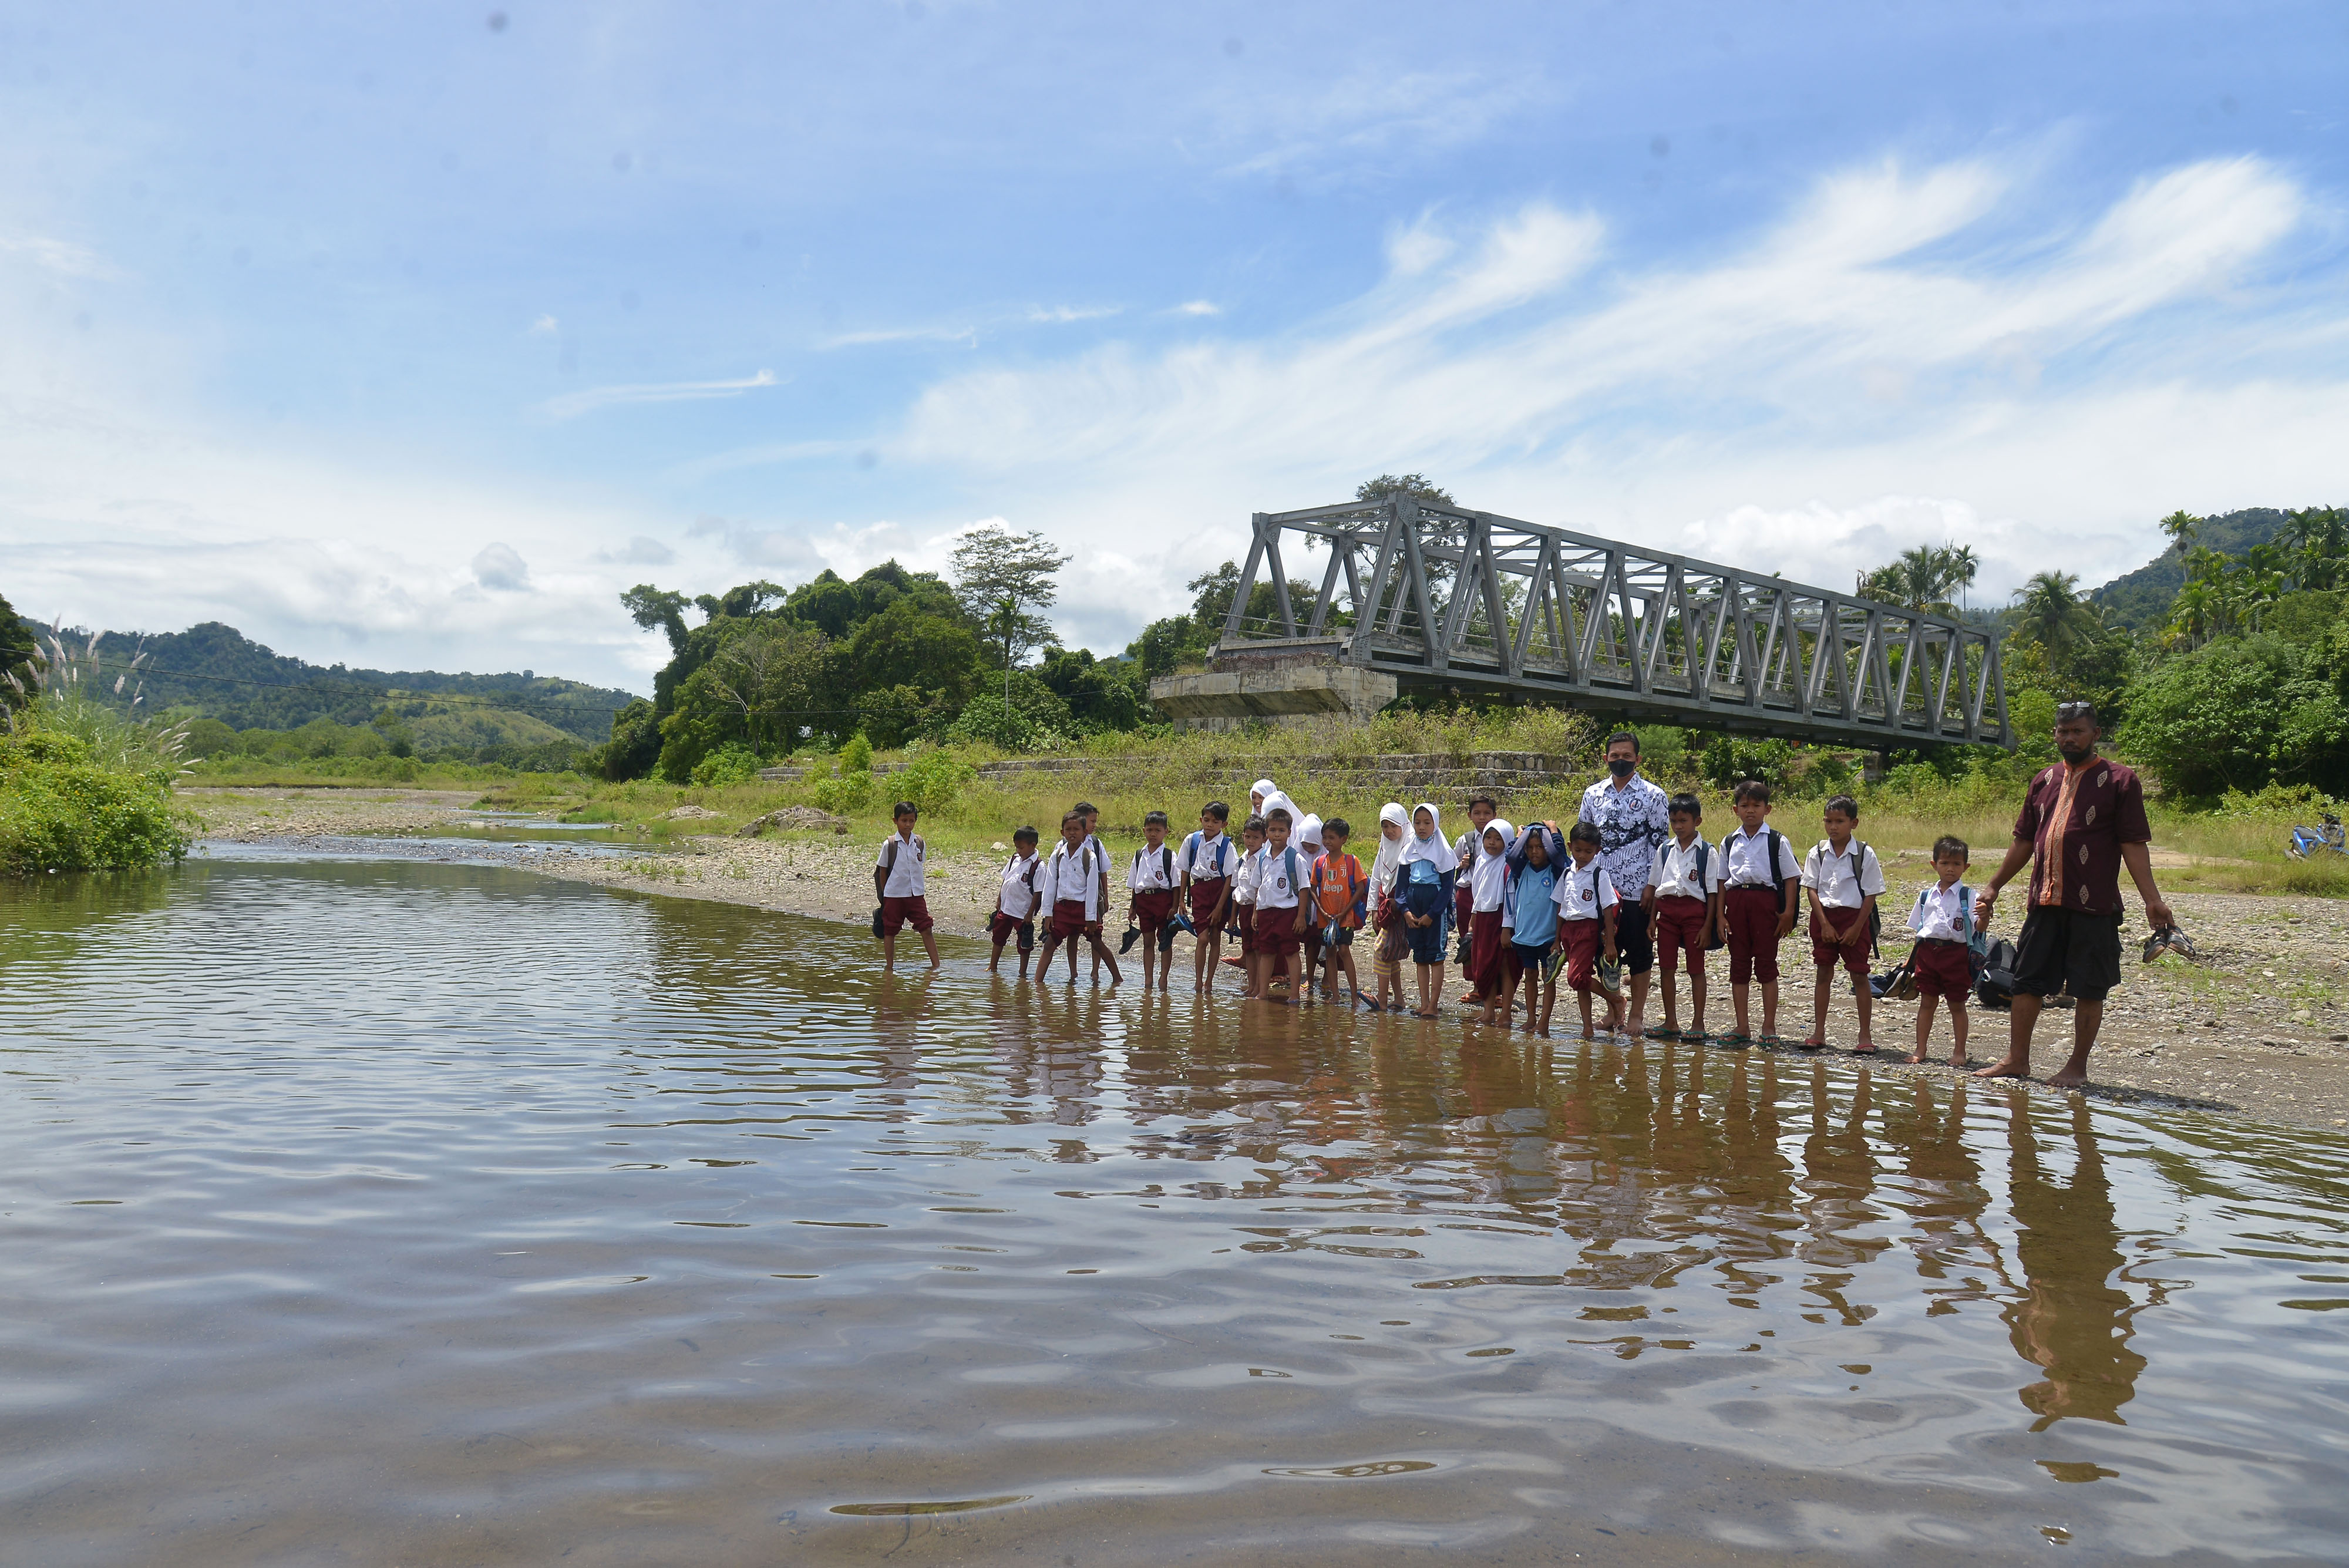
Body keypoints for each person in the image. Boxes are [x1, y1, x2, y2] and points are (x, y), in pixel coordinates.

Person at [1972, 699, 2173, 1088]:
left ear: (2095, 735)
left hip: (2094, 905)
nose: (2069, 738)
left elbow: (2133, 844)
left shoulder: (2120, 780)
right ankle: (2017, 1059)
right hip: (2044, 901)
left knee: (2089, 986)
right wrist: (1994, 886)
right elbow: (2024, 842)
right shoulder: (2044, 780)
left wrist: (2152, 899)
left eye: (2077, 731)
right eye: (2063, 731)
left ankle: (2076, 1067)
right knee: (2026, 982)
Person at [1578, 731, 1671, 1035]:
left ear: (1638, 759)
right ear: (1606, 758)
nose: (1620, 761)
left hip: (1637, 890)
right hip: (1600, 890)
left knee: (1640, 953)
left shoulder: (1654, 796)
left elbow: (1661, 847)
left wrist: (1652, 887)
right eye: (1615, 756)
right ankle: (1613, 1009)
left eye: (1626, 756)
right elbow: (1583, 842)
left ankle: (1637, 1016)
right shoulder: (1592, 795)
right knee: (1605, 951)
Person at [1719, 779, 1801, 1045]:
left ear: (1768, 809)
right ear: (1735, 810)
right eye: (1745, 805)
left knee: (1767, 964)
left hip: (1766, 904)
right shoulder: (1729, 841)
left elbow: (1791, 879)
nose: (1750, 810)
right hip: (1737, 902)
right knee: (1739, 965)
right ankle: (1742, 1026)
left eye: (1756, 805)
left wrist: (1788, 912)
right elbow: (1721, 881)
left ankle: (1769, 1026)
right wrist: (1721, 915)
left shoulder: (1777, 841)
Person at [1801, 794, 1884, 1051]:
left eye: (1839, 821)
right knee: (1823, 972)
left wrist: (1858, 927)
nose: (1833, 827)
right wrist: (1824, 924)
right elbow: (1811, 889)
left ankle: (1865, 1036)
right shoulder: (1817, 852)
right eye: (1828, 821)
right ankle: (1819, 1032)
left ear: (1854, 823)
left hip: (1855, 918)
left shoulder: (1864, 854)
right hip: (1824, 917)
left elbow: (1870, 894)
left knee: (1859, 975)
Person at [1647, 791, 1723, 1042]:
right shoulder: (1665, 850)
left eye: (1684, 821)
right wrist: (1652, 921)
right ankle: (1671, 1021)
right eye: (1674, 822)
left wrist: (1707, 926)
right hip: (1667, 914)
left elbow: (1712, 893)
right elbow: (1657, 887)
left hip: (1694, 916)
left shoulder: (1707, 852)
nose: (1678, 827)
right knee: (1666, 968)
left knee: (1696, 969)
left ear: (1697, 822)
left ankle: (1698, 1022)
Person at [1907, 835, 1977, 1067]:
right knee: (1927, 1001)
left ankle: (1959, 1052)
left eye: (1957, 864)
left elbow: (1978, 928)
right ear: (1934, 864)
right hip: (1928, 953)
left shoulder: (1969, 896)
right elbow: (1919, 927)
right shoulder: (1926, 896)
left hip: (1955, 954)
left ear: (1965, 867)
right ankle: (1920, 1049)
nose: (1950, 869)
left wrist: (1986, 917)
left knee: (1957, 1003)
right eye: (1945, 863)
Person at [1554, 820, 1623, 1042]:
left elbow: (1607, 909)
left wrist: (1610, 943)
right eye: (1578, 850)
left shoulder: (1599, 875)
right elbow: (1560, 907)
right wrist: (1557, 939)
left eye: (1589, 851)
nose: (1583, 855)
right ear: (1569, 847)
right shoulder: (1567, 874)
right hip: (1568, 930)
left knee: (1576, 977)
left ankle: (1614, 999)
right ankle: (1587, 1028)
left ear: (1597, 851)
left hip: (1587, 930)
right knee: (1581, 982)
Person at [1034, 810, 1119, 985]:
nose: (1072, 833)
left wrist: (1090, 918)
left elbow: (1093, 890)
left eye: (1077, 829)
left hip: (1083, 910)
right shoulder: (1057, 856)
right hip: (1063, 910)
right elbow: (1050, 886)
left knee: (1097, 943)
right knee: (1049, 946)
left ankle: (1117, 980)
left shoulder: (1090, 857)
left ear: (1084, 833)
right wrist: (1047, 914)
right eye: (1068, 829)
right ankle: (1037, 984)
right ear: (1062, 832)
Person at [1394, 803, 1459, 1018]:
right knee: (1420, 957)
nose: (1422, 827)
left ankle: (1433, 1004)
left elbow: (1447, 888)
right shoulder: (1408, 850)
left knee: (1436, 956)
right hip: (1413, 907)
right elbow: (1402, 886)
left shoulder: (1443, 851)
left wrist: (1433, 914)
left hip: (1434, 909)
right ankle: (1423, 1003)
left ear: (1436, 824)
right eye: (1418, 823)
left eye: (1427, 823)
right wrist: (1405, 911)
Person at [1502, 820, 1564, 1036]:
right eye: (1530, 848)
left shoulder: (1556, 871)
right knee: (1530, 976)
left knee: (1548, 978)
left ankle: (1544, 1021)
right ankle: (1531, 1018)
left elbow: (1558, 855)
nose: (1535, 852)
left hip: (1548, 937)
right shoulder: (1522, 869)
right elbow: (1511, 856)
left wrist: (1553, 832)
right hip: (1524, 935)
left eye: (1540, 847)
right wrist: (1523, 835)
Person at [1250, 807, 1310, 1004]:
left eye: (1282, 830)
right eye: (1273, 830)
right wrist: (1256, 913)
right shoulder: (1262, 858)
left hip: (1288, 913)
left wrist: (1301, 916)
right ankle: (1263, 993)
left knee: (1291, 952)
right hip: (1266, 912)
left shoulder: (1295, 859)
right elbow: (1258, 888)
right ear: (1266, 832)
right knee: (1266, 953)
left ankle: (1294, 995)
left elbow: (1303, 889)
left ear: (1289, 833)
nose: (1277, 834)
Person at [1307, 817, 1368, 1007]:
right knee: (1330, 953)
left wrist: (1345, 911)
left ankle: (1354, 996)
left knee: (1344, 950)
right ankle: (1334, 994)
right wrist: (1322, 910)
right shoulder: (1319, 862)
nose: (1327, 842)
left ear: (1344, 839)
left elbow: (1360, 888)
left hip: (1345, 918)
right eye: (1325, 838)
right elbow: (1312, 888)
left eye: (1332, 838)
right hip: (1326, 918)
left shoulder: (1351, 862)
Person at [873, 800, 940, 972]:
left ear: (915, 821)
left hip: (916, 895)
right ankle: (889, 968)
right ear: (895, 821)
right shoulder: (889, 844)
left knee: (926, 928)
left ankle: (936, 967)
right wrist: (884, 895)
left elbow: (920, 864)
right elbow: (882, 871)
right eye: (904, 821)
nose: (908, 825)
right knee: (890, 930)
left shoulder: (919, 842)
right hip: (894, 895)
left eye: (911, 821)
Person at [1180, 801, 1236, 994]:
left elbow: (1230, 878)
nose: (1210, 825)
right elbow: (1185, 870)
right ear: (1201, 820)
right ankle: (1198, 980)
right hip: (1200, 891)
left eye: (1215, 821)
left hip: (1220, 892)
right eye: (1206, 820)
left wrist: (1220, 908)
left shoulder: (1227, 846)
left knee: (1215, 937)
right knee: (1202, 937)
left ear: (1224, 825)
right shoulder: (1192, 841)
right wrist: (1181, 899)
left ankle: (1209, 981)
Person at [1469, 817, 1519, 1026]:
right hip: (1483, 918)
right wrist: (1473, 917)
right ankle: (1488, 1012)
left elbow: (1510, 898)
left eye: (1498, 839)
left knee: (1505, 966)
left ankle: (1505, 1014)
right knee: (1484, 965)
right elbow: (1478, 891)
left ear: (1506, 841)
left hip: (1500, 919)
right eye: (1488, 837)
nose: (1491, 842)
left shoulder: (1508, 866)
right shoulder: (1481, 861)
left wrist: (1507, 927)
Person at [1123, 810, 1177, 991]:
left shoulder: (1169, 855)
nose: (1153, 834)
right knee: (1147, 941)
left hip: (1163, 900)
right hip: (1143, 901)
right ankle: (1148, 980)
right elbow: (1135, 883)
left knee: (1165, 940)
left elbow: (1176, 884)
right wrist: (1133, 907)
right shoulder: (1140, 854)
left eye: (1157, 830)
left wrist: (1175, 906)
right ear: (1144, 830)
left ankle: (1164, 978)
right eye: (1149, 830)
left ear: (1166, 832)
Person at [1367, 802, 1410, 1013]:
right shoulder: (1385, 845)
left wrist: (1401, 903)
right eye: (1385, 826)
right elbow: (1376, 876)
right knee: (1390, 952)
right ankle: (1399, 999)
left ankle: (1382, 1001)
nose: (1389, 831)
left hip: (1402, 907)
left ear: (1403, 824)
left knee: (1381, 950)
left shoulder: (1410, 845)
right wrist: (1373, 909)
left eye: (1393, 826)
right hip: (1386, 906)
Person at [1452, 793, 1498, 992]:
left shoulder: (1501, 838)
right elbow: (1451, 864)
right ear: (1469, 815)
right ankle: (1476, 986)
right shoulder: (1466, 840)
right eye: (1477, 813)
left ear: (1495, 815)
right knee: (1468, 939)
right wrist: (1461, 864)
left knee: (1489, 940)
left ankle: (1491, 986)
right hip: (1467, 895)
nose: (1482, 817)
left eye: (1487, 813)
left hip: (1489, 895)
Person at [988, 826, 1042, 978]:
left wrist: (1030, 913)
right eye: (1017, 847)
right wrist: (999, 899)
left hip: (1022, 911)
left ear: (1033, 845)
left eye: (1022, 847)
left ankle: (1022, 972)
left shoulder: (1038, 866)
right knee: (998, 937)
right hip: (1006, 908)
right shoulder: (1014, 859)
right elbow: (1006, 880)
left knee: (1024, 943)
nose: (1019, 850)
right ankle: (992, 967)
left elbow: (1038, 892)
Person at [1230, 813, 1267, 995]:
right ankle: (1252, 986)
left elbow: (1260, 889)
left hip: (1258, 910)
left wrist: (1255, 913)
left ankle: (1260, 987)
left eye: (1255, 837)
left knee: (1259, 950)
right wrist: (1232, 917)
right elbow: (1237, 889)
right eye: (1247, 836)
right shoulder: (1241, 860)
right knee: (1248, 950)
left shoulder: (1264, 859)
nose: (1251, 841)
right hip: (1244, 909)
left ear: (1264, 838)